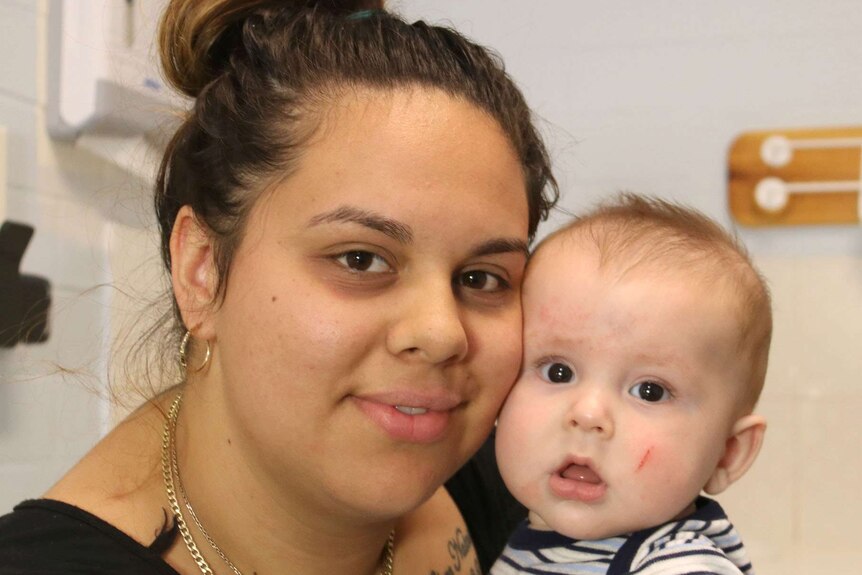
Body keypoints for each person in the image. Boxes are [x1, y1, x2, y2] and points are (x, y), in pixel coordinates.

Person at [0, 1, 558, 573]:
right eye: (361, 259)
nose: (443, 333)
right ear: (203, 269)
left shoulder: (545, 487)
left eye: (481, 278)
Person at [491, 194, 772, 575]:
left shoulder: (674, 565)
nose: (588, 414)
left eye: (650, 391)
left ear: (727, 453)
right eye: (558, 371)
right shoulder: (541, 544)